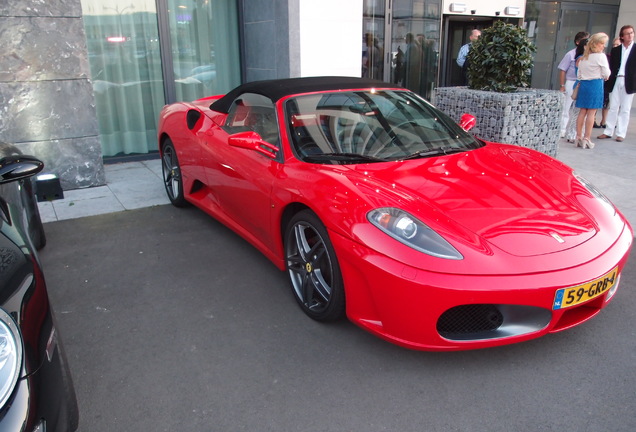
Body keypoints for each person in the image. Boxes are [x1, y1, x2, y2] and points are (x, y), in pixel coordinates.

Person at [598, 25, 636, 142]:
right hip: (616, 79)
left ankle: (621, 133)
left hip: (629, 81)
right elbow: (612, 66)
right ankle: (608, 131)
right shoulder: (616, 50)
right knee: (613, 106)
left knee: (625, 108)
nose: (630, 35)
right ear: (622, 36)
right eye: (627, 33)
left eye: (632, 33)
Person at [575, 33, 611, 149]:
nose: (603, 46)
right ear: (596, 44)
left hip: (584, 84)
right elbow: (606, 73)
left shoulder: (583, 57)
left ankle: (578, 136)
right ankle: (587, 138)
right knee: (591, 113)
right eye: (602, 43)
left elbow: (579, 74)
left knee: (582, 112)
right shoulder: (601, 57)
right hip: (595, 84)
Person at [558, 31, 590, 138]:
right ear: (577, 42)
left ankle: (574, 131)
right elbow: (563, 69)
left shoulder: (590, 56)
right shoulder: (570, 54)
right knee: (567, 106)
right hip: (571, 81)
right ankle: (562, 129)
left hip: (583, 83)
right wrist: (562, 85)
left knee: (578, 109)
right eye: (584, 41)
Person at [564, 38, 588, 143]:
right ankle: (572, 133)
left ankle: (576, 133)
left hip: (583, 84)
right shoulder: (580, 58)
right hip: (580, 84)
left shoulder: (585, 58)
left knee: (580, 111)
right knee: (576, 111)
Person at [595, 37, 622, 128]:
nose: (615, 46)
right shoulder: (607, 56)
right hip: (605, 80)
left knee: (609, 103)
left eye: (617, 45)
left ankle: (604, 121)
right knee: (601, 100)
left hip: (615, 80)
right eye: (614, 45)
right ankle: (594, 120)